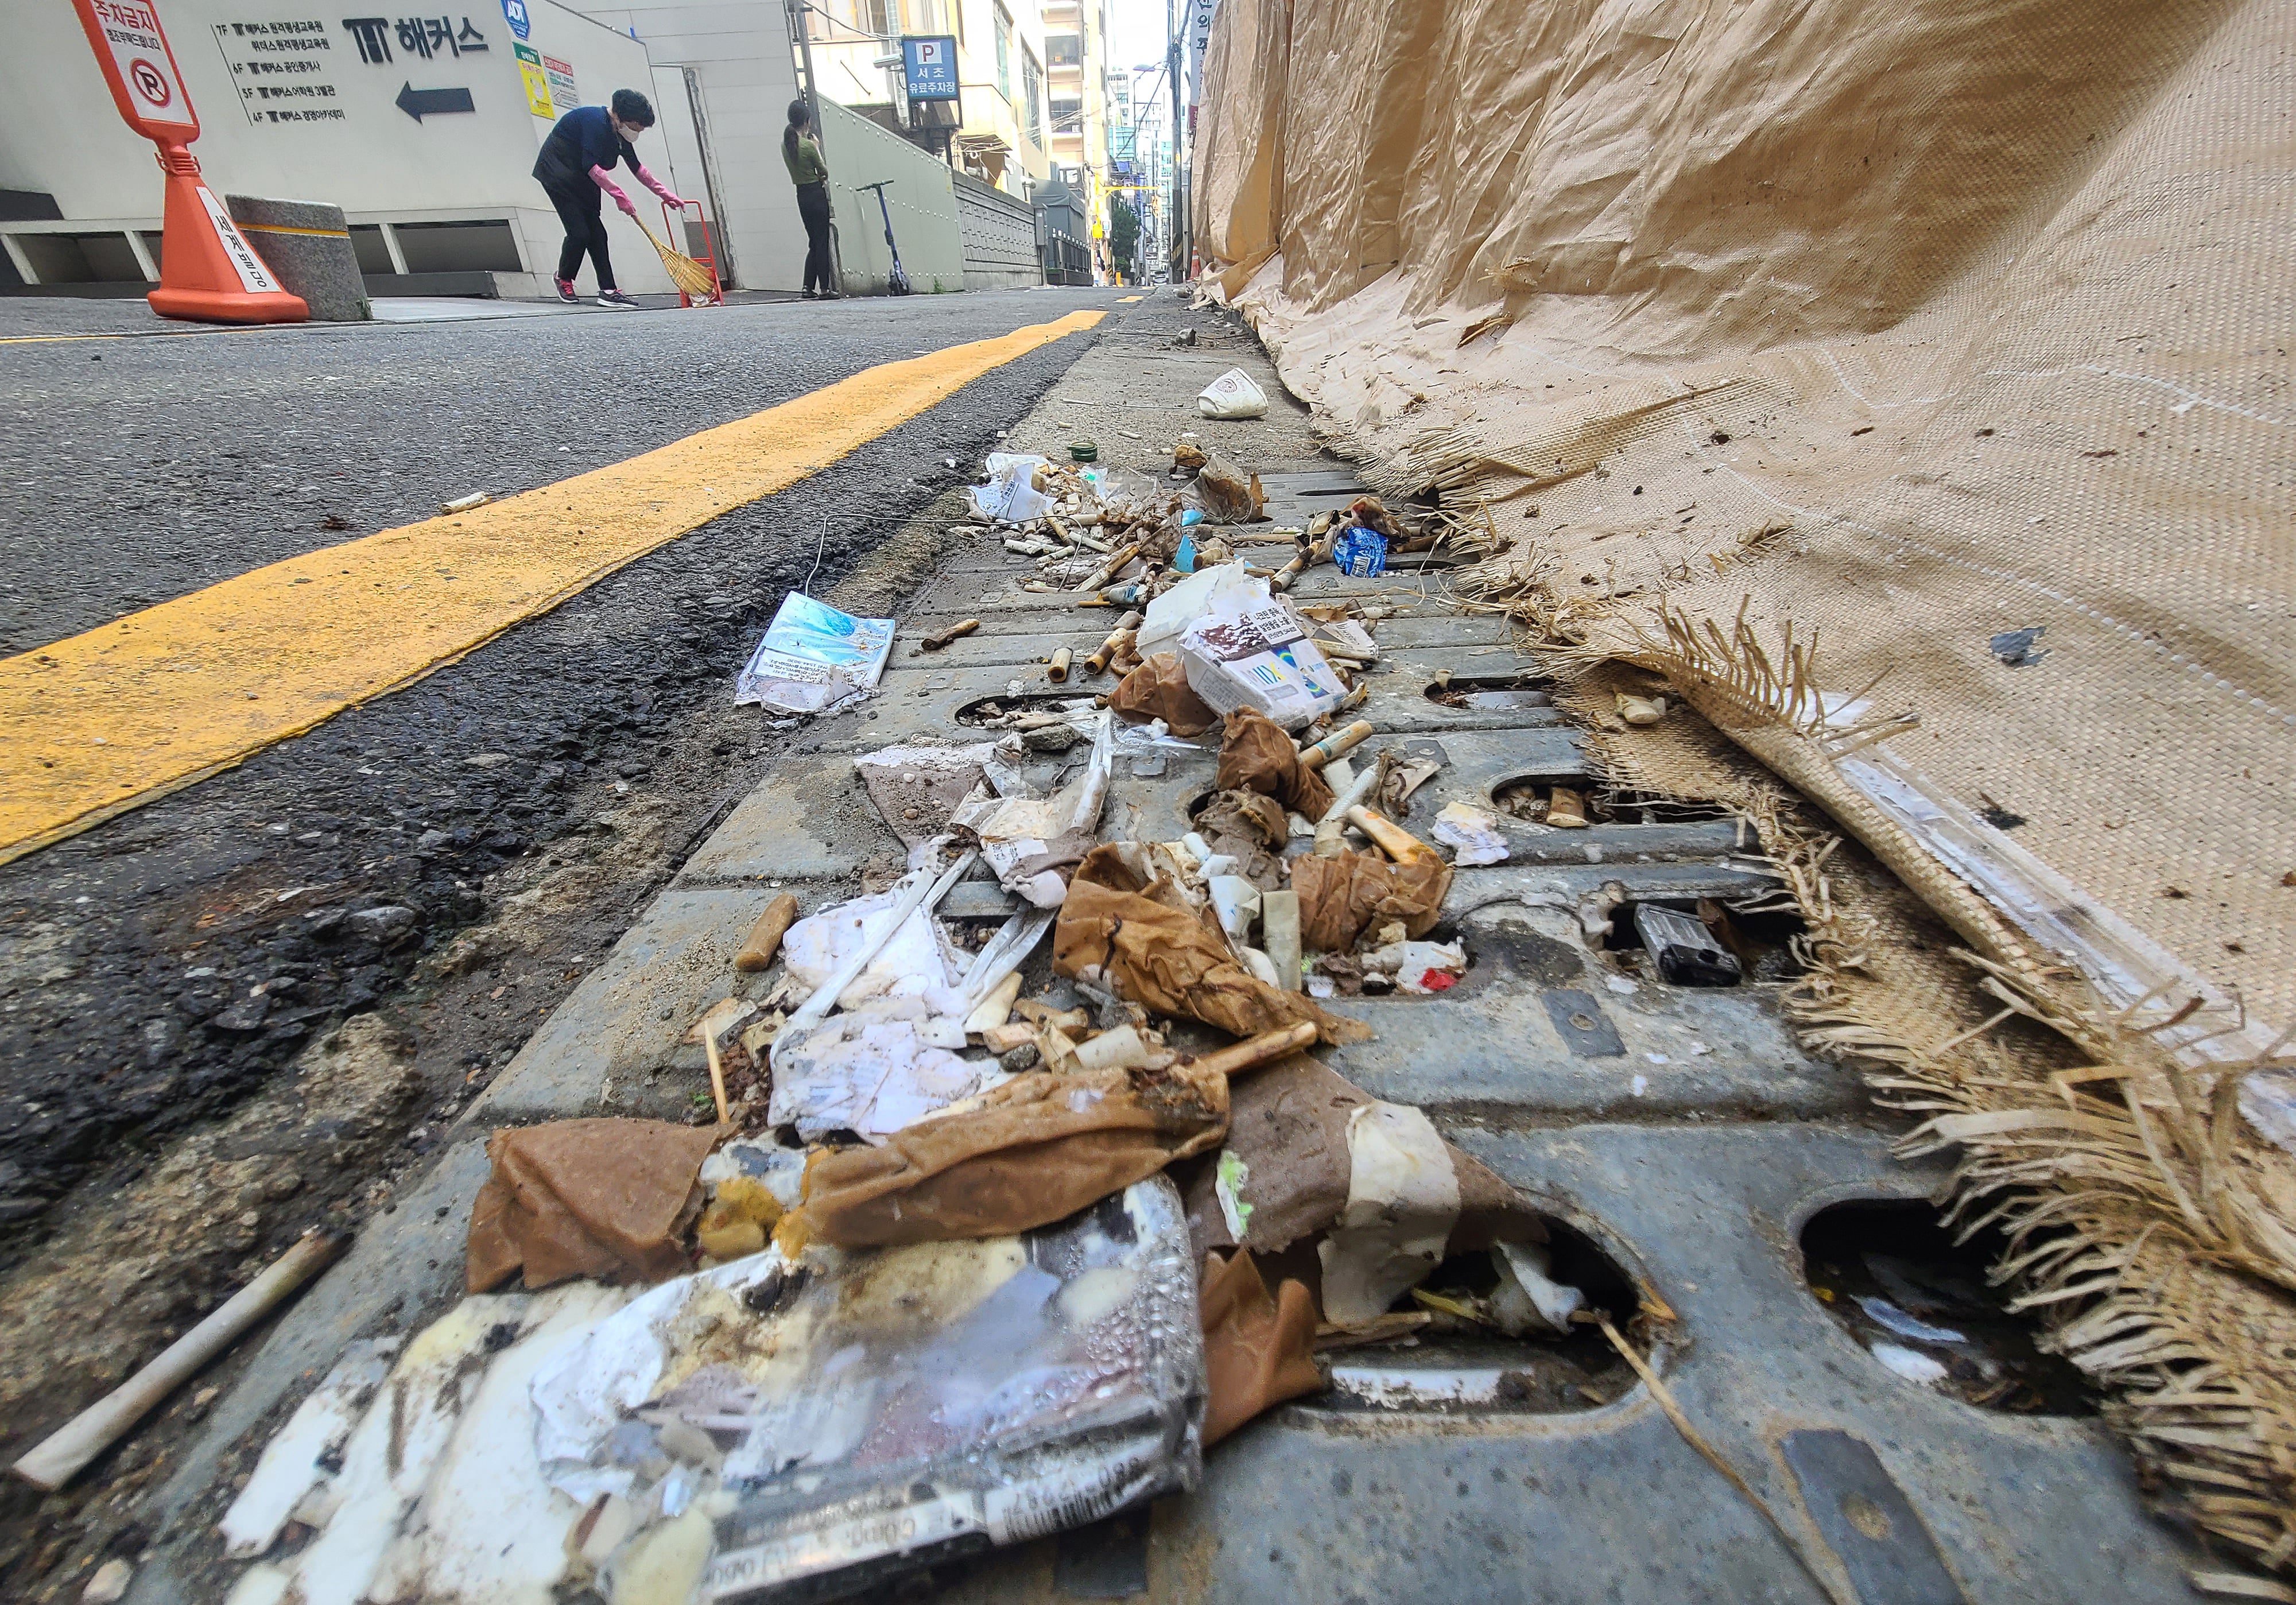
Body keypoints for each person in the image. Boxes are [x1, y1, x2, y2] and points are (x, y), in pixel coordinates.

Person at [533, 89, 685, 309]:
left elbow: (638, 169)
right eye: (637, 126)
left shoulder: (619, 134)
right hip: (558, 175)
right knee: (580, 233)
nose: (639, 131)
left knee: (598, 235)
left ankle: (608, 291)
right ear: (623, 117)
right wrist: (620, 197)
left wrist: (666, 195)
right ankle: (563, 278)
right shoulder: (594, 122)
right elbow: (591, 166)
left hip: (584, 179)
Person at [782, 99, 838, 300]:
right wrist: (816, 148)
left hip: (802, 196)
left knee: (814, 242)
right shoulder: (808, 146)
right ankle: (824, 289)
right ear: (806, 121)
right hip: (816, 194)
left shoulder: (786, 146)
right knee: (821, 241)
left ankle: (807, 287)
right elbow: (823, 171)